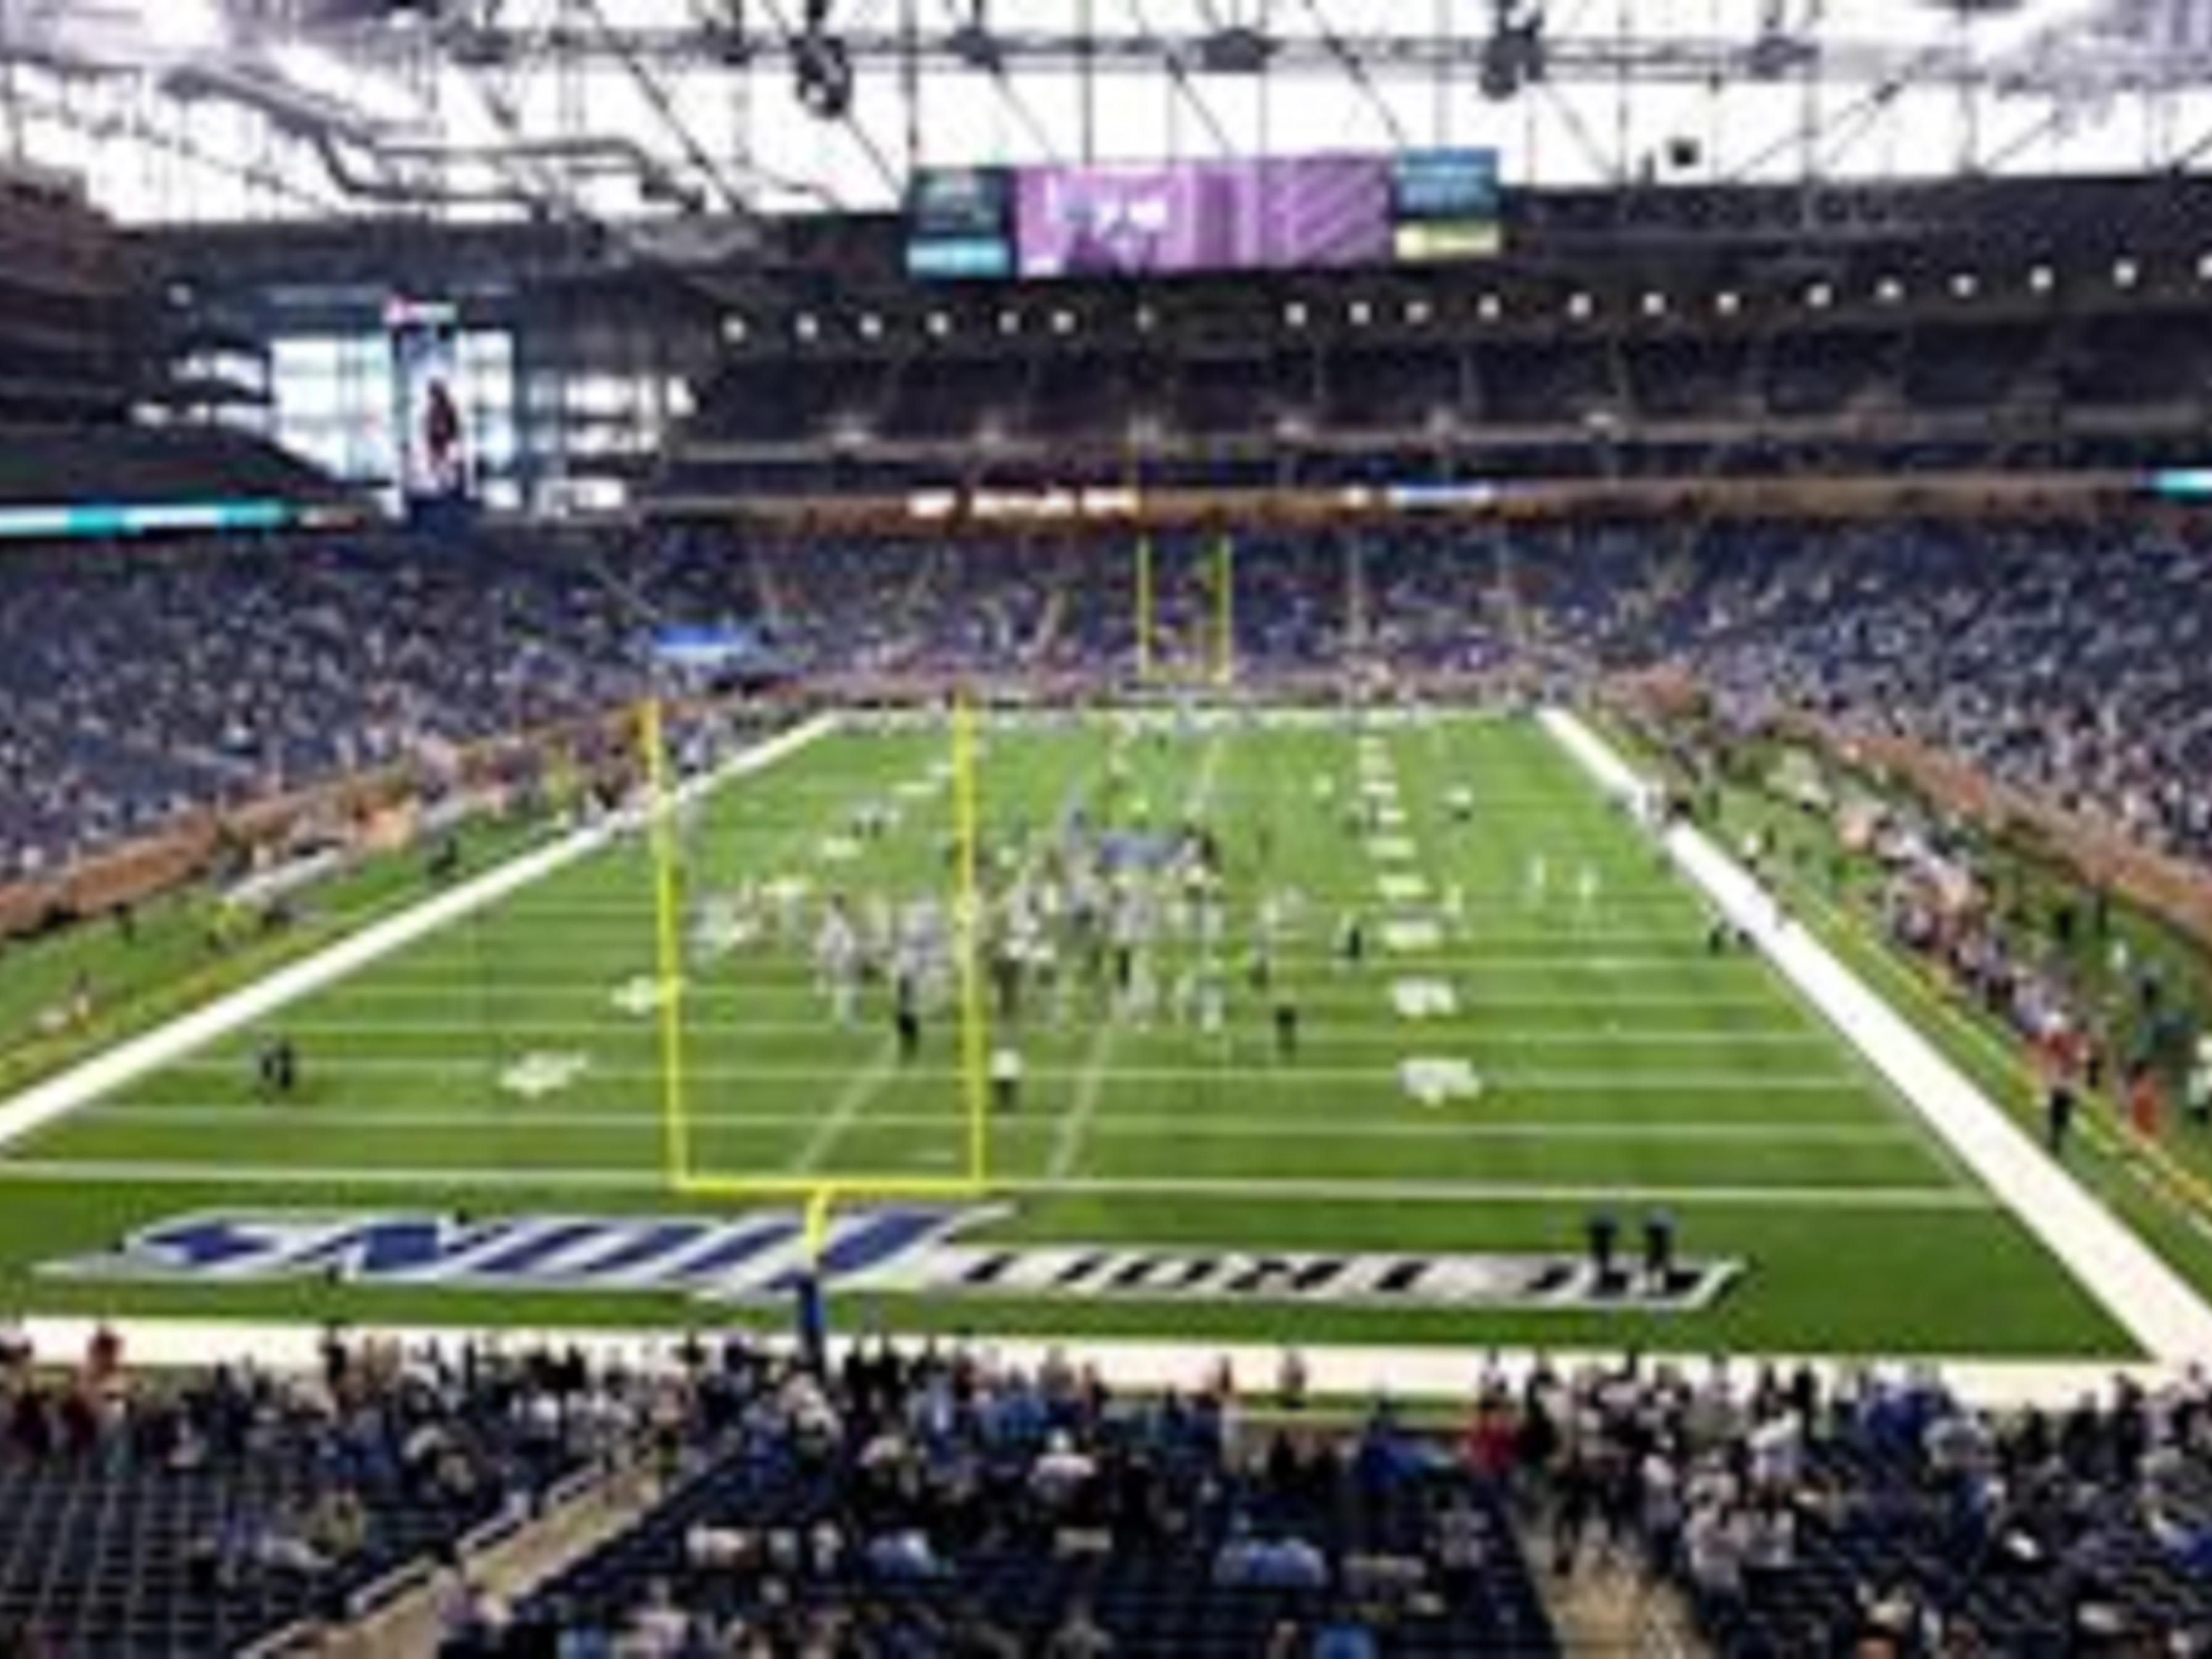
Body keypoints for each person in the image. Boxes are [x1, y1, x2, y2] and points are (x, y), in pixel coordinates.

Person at [990, 1042, 1022, 1115]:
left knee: (1008, 1086)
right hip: (1004, 1061)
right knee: (1002, 1086)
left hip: (1008, 1060)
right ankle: (1003, 1104)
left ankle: (1007, 1104)